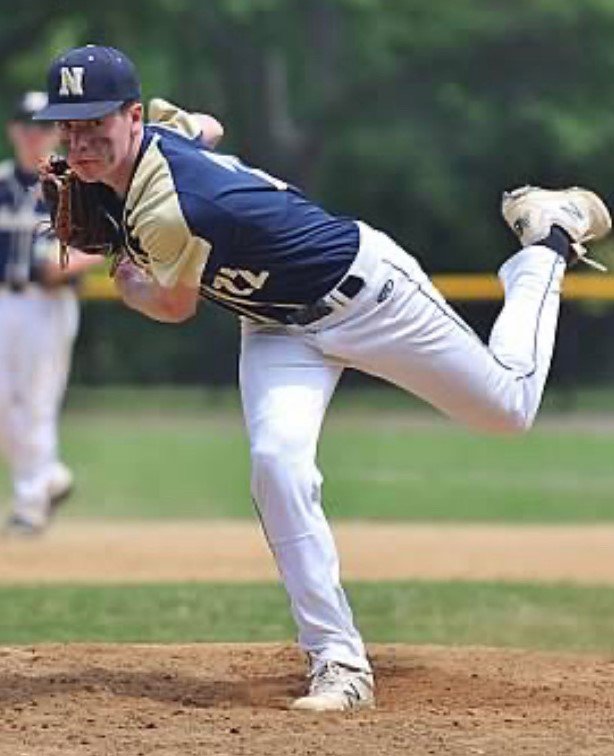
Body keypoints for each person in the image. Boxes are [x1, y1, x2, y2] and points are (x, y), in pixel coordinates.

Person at [35, 45, 610, 711]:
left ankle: (547, 243)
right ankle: (338, 662)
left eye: (95, 125)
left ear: (131, 116)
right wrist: (165, 147)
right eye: (68, 127)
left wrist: (127, 274)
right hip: (276, 326)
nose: (79, 143)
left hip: (368, 296)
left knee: (508, 407)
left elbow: (171, 306)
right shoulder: (157, 130)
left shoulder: (170, 208)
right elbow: (209, 124)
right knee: (276, 465)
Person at [0, 91, 103, 535]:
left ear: (55, 132)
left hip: (48, 304)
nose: (32, 134)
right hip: (4, 299)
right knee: (4, 404)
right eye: (26, 125)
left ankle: (30, 503)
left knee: (37, 401)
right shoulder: (2, 183)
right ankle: (51, 477)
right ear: (12, 131)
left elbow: (102, 244)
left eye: (42, 126)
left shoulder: (73, 184)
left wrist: (67, 265)